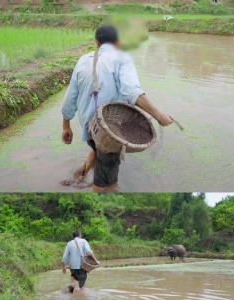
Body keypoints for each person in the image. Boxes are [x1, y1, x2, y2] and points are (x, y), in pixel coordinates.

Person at [61, 25, 174, 192]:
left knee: (98, 148)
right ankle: (99, 191)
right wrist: (159, 116)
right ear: (118, 42)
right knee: (106, 185)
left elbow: (70, 97)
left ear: (97, 42)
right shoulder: (122, 58)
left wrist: (65, 126)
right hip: (109, 132)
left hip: (90, 128)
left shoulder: (83, 60)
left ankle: (80, 174)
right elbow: (132, 92)